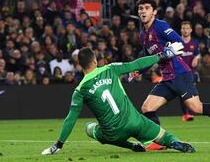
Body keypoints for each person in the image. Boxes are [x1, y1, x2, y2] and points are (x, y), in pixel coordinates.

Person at [135, 0, 210, 151]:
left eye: (146, 8)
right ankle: (158, 140)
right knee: (147, 107)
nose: (143, 11)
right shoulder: (143, 33)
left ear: (154, 12)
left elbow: (179, 43)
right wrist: (139, 70)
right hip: (167, 78)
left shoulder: (160, 26)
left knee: (196, 108)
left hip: (180, 74)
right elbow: (148, 55)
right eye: (140, 8)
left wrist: (167, 53)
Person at [42, 45, 196, 155]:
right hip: (135, 122)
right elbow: (136, 64)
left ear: (80, 65)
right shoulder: (110, 69)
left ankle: (131, 146)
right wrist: (161, 55)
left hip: (113, 133)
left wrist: (59, 144)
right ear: (95, 61)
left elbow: (71, 118)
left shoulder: (80, 90)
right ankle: (175, 143)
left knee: (89, 128)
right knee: (164, 136)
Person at [179, 21, 200, 121]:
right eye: (183, 28)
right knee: (182, 93)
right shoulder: (177, 42)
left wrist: (197, 58)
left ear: (191, 30)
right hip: (180, 72)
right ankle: (185, 114)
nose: (185, 30)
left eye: (187, 28)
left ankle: (189, 113)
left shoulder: (195, 43)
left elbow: (198, 53)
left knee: (191, 93)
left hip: (191, 72)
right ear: (181, 30)